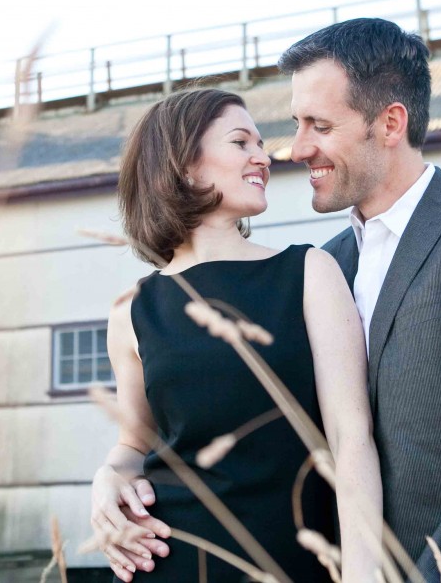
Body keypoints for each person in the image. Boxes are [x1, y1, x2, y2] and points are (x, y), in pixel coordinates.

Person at [93, 19, 441, 582]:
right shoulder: (327, 262)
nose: (294, 149)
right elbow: (147, 436)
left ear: (390, 124)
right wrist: (109, 478)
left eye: (319, 126)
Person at [91, 88, 382, 582]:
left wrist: (365, 575)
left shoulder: (309, 272)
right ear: (183, 165)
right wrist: (108, 478)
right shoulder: (134, 310)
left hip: (296, 563)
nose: (262, 157)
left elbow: (351, 439)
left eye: (261, 143)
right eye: (241, 142)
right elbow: (134, 444)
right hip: (169, 563)